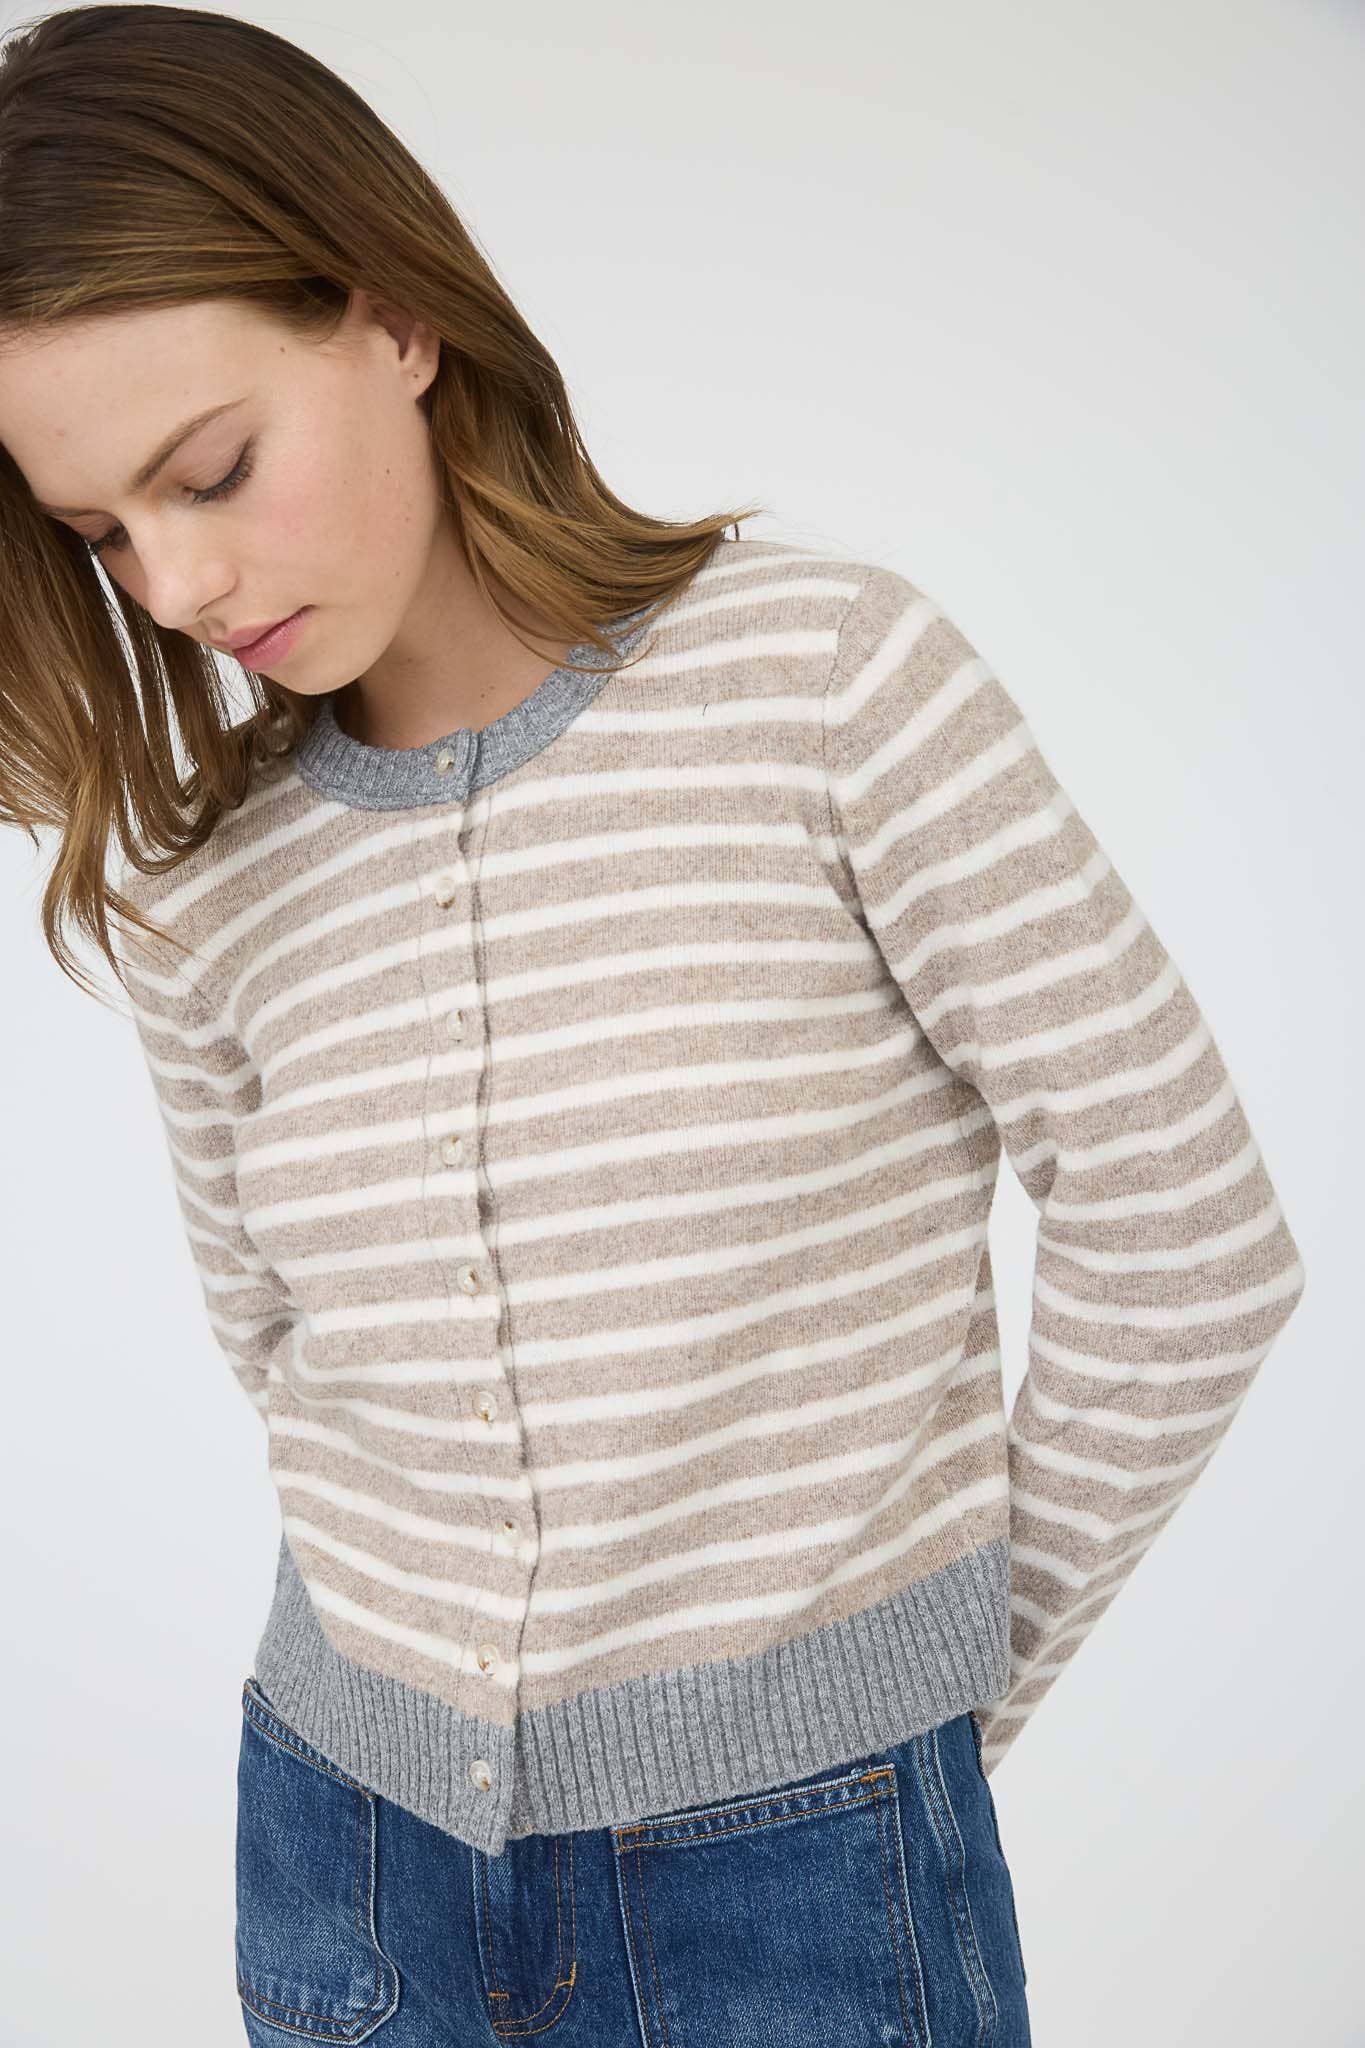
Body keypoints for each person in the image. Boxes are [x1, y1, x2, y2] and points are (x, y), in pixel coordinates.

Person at [0, 9, 1306, 2045]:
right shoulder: (212, 879)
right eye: (101, 533)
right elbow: (284, 1350)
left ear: (394, 316)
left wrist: (911, 1712)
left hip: (799, 1885)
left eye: (211, 471)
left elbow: (1188, 1234)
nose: (173, 584)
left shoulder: (827, 687)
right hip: (345, 1857)